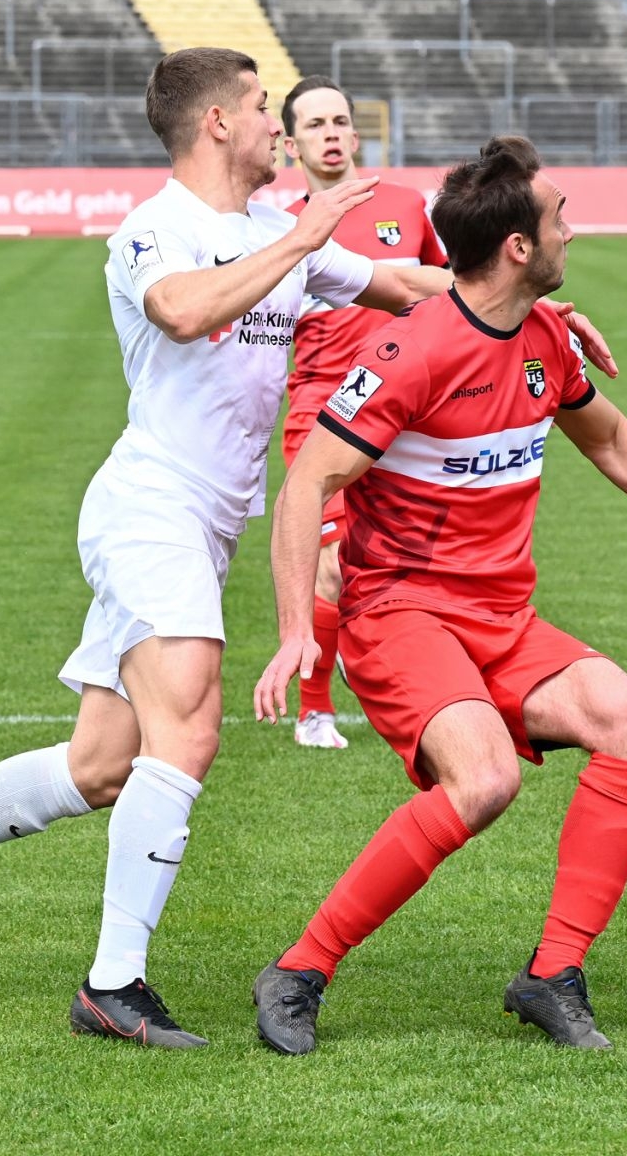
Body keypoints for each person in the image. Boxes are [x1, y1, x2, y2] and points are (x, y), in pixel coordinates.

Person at [0, 48, 616, 1050]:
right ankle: (112, 985)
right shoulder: (157, 229)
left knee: (101, 765)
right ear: (216, 124)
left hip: (207, 523)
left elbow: (407, 283)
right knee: (190, 723)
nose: (276, 124)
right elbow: (185, 310)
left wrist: (526, 304)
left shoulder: (269, 232)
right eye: (260, 106)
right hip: (150, 505)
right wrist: (304, 241)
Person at [248, 136, 627, 1055]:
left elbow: (607, 437)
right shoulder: (411, 351)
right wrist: (297, 630)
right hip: (400, 613)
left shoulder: (545, 337)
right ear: (519, 246)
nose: (573, 230)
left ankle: (551, 975)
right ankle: (299, 969)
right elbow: (306, 482)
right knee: (484, 781)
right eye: (560, 216)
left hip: (502, 618)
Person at [278, 75, 450, 749]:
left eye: (338, 121)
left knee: (401, 557)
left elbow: (448, 292)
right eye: (313, 125)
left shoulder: (408, 205)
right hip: (323, 410)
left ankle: (387, 659)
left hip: (406, 411)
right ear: (292, 146)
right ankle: (314, 711)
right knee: (330, 562)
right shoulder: (283, 228)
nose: (329, 134)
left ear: (355, 134)